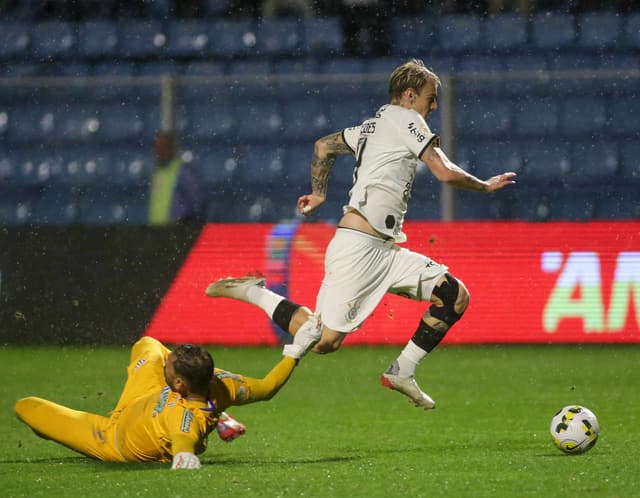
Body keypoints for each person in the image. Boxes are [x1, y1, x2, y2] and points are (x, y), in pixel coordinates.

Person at [205, 59, 516, 410]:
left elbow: (324, 146)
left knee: (454, 296)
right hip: (359, 249)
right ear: (410, 95)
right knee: (323, 341)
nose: (433, 107)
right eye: (430, 98)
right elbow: (443, 172)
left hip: (387, 249)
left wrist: (320, 193)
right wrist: (485, 186)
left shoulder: (372, 126)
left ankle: (402, 370)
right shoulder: (406, 119)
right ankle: (251, 291)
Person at [14, 306, 319, 469]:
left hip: (112, 439)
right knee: (148, 345)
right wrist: (296, 351)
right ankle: (220, 416)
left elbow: (184, 442)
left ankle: (216, 419)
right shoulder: (221, 382)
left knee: (25, 407)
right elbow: (266, 387)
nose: (165, 362)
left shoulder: (184, 420)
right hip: (143, 396)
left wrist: (185, 459)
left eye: (169, 366)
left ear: (178, 384)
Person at [148, 131, 204, 225]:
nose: (160, 152)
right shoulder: (157, 172)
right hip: (157, 230)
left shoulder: (183, 172)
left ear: (171, 149)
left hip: (176, 231)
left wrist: (184, 222)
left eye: (163, 148)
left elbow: (197, 202)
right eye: (157, 148)